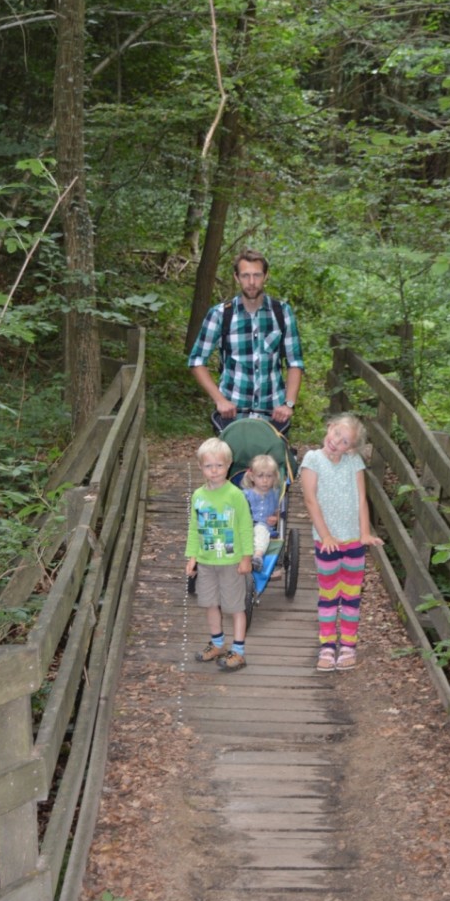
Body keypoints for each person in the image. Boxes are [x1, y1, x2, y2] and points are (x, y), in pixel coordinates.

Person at [300, 413, 384, 672]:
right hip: (328, 542)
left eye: (346, 441)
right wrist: (325, 534)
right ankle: (327, 645)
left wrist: (365, 532)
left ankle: (348, 645)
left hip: (352, 541)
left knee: (350, 595)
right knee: (329, 595)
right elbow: (310, 500)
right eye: (337, 434)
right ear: (330, 427)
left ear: (352, 448)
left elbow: (361, 498)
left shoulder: (353, 462)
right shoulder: (312, 459)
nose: (338, 442)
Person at [188, 248, 304, 434]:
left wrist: (289, 404)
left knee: (273, 463)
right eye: (245, 276)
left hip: (273, 415)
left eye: (257, 275)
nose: (251, 282)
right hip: (231, 415)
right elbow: (196, 361)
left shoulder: (282, 312)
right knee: (228, 463)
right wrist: (220, 400)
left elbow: (295, 362)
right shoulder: (220, 314)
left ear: (266, 276)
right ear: (236, 277)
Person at [185, 436, 254, 672]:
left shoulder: (235, 495)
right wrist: (192, 556)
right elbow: (194, 528)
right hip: (206, 561)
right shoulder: (198, 496)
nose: (214, 471)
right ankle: (216, 643)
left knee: (235, 606)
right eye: (208, 466)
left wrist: (246, 557)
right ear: (200, 467)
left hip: (231, 561)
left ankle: (239, 650)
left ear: (229, 465)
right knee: (210, 603)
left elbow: (245, 527)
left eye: (219, 465)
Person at [241, 453, 281, 571]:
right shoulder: (245, 494)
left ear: (274, 477)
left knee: (260, 531)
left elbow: (277, 510)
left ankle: (257, 557)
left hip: (264, 526)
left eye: (269, 476)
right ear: (252, 477)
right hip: (245, 525)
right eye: (260, 476)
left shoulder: (274, 494)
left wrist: (276, 518)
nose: (265, 480)